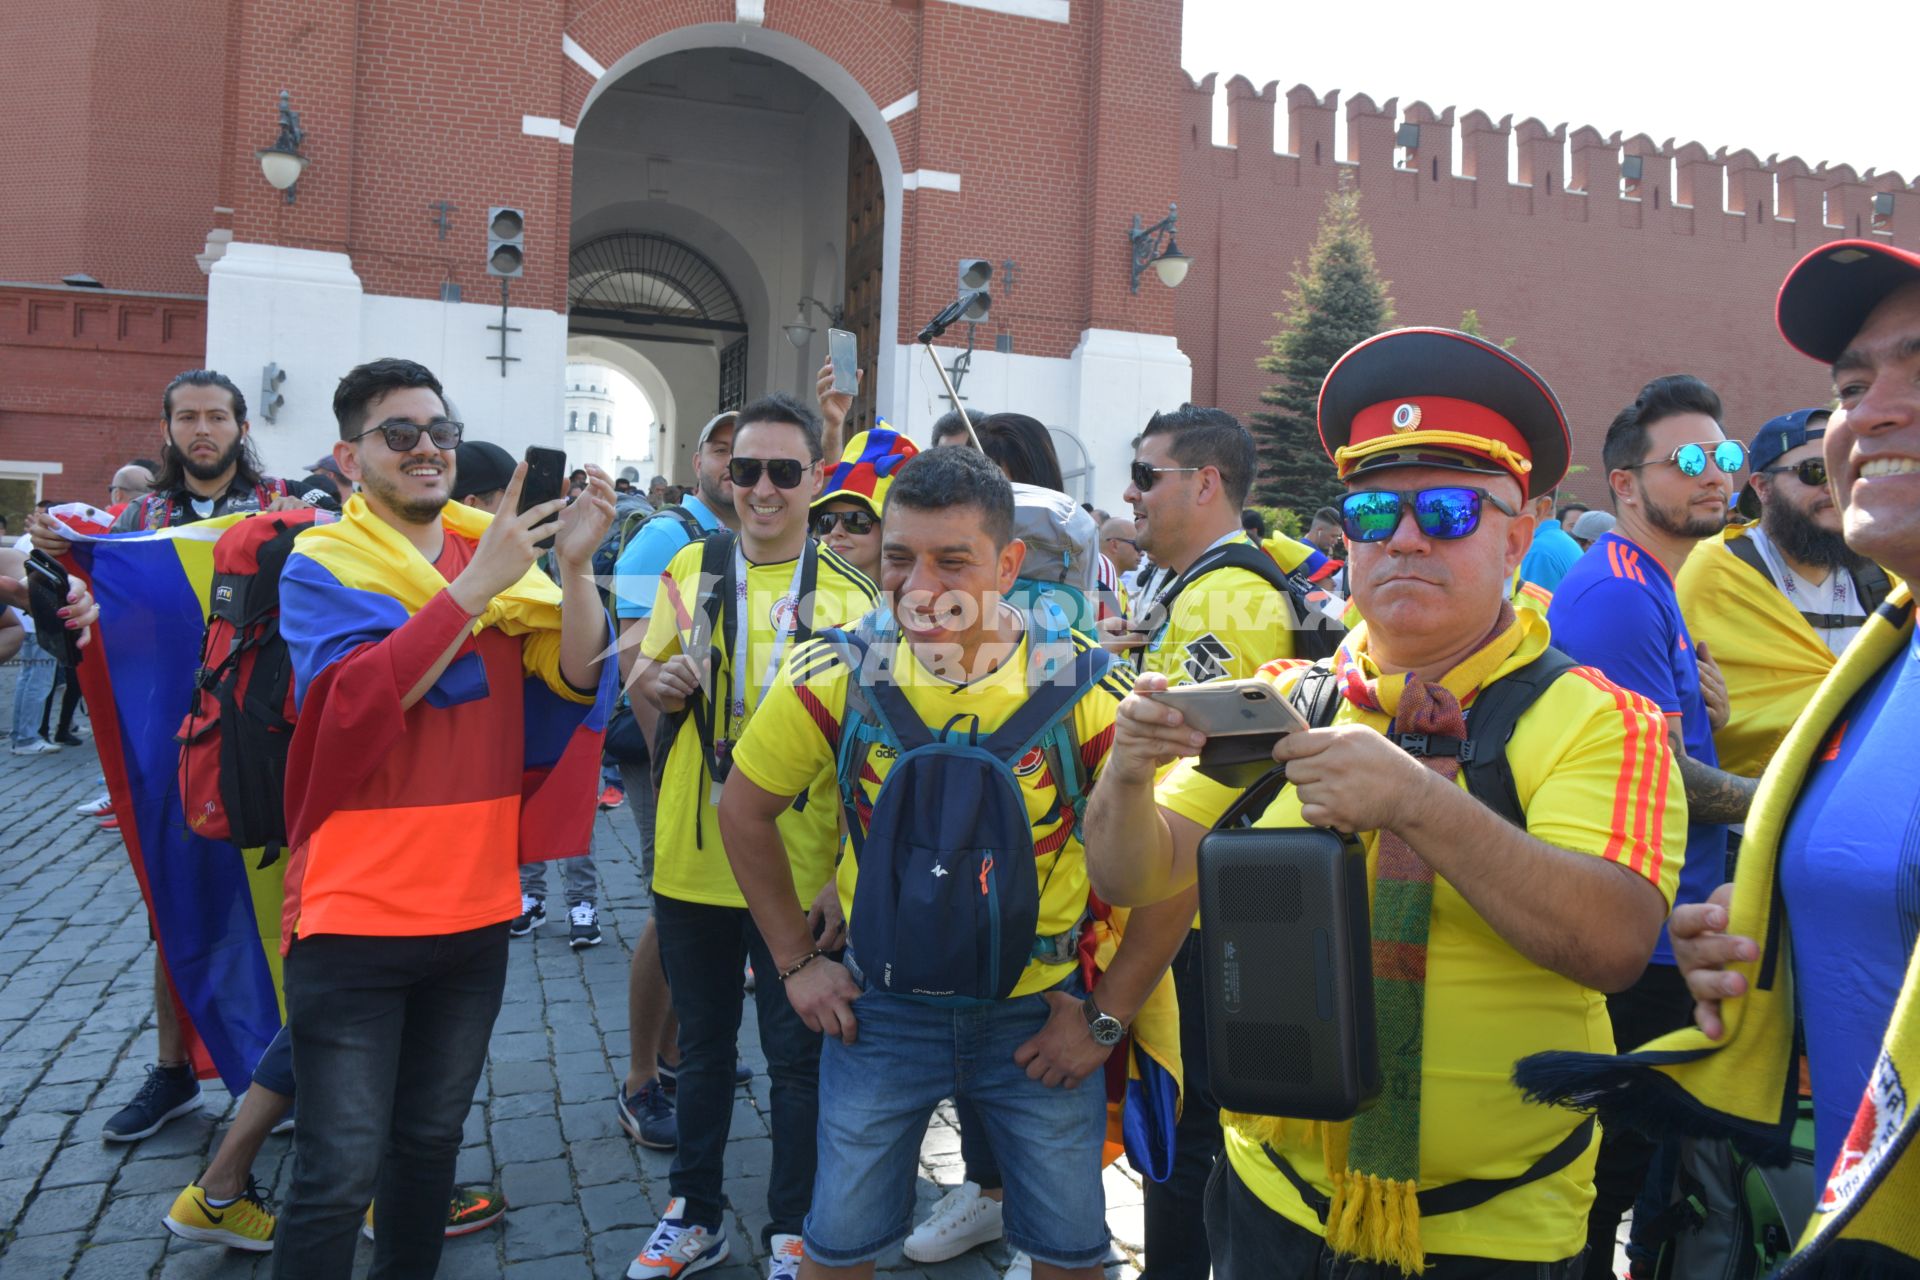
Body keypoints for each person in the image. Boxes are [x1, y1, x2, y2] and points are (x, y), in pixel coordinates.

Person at [1087, 326, 1683, 1279]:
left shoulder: (1602, 719)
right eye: (1372, 511)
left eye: (1448, 511)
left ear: (1519, 537)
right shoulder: (1289, 696)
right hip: (1268, 1204)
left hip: (1489, 1237)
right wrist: (1123, 774)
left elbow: (1614, 946)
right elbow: (1133, 872)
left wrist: (1418, 802)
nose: (1403, 538)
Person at [1522, 237, 1920, 1275]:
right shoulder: (1885, 648)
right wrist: (1775, 925)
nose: (1873, 410)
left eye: (1720, 454)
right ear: (1624, 481)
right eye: (1850, 385)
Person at [719, 444, 1190, 1280]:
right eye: (899, 557)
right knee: (836, 1248)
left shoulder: (1088, 693)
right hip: (880, 1010)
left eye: (953, 561)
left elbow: (1169, 877)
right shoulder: (834, 671)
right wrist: (794, 963)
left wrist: (1106, 1015)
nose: (920, 586)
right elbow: (743, 811)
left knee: (1074, 1254)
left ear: (1009, 564)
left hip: (1042, 1017)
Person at [270, 357, 611, 1279]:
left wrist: (572, 572)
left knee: (426, 1152)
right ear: (350, 457)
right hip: (354, 919)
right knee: (337, 1175)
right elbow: (353, 708)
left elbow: (575, 681)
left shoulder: (489, 549)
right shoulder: (323, 565)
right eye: (401, 434)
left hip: (474, 913)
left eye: (441, 432)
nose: (429, 450)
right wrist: (470, 594)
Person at [622, 393, 877, 1280]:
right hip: (693, 862)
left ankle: (793, 1228)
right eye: (745, 471)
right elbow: (642, 673)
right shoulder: (691, 567)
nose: (762, 490)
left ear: (814, 479)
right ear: (724, 477)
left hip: (800, 872)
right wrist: (655, 682)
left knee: (797, 1063)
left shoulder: (853, 597)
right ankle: (693, 1213)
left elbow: (867, 757)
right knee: (701, 1053)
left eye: (782, 471)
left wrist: (844, 875)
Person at [29, 367, 304, 1143]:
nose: (203, 430)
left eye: (217, 416)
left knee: (286, 898)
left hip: (264, 734)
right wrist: (67, 576)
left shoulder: (286, 508)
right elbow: (76, 620)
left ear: (242, 426)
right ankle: (174, 1070)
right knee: (174, 898)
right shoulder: (133, 520)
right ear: (169, 427)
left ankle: (290, 1072)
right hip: (170, 737)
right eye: (188, 418)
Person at [1099, 404, 1323, 1280]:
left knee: (1189, 1142)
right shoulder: (1192, 583)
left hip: (1196, 914)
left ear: (1204, 483)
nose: (1131, 491)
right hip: (1181, 900)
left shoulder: (1230, 593)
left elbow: (1214, 789)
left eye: (1147, 474)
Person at [1544, 373, 1761, 1275]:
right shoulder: (1620, 598)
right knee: (1607, 1178)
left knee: (1630, 1172)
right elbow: (1652, 778)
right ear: (1625, 485)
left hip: (1676, 921)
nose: (1717, 476)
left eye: (1726, 456)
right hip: (1643, 931)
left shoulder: (1651, 585)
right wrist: (1784, 804)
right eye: (1690, 461)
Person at [610, 410, 741, 1153]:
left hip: (720, 760)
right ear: (697, 460)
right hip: (673, 756)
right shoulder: (667, 537)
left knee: (711, 909)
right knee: (673, 912)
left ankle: (679, 1053)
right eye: (724, 452)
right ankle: (638, 1081)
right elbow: (636, 656)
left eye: (751, 457)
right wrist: (673, 764)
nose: (737, 468)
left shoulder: (746, 542)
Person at [443, 438, 609, 947]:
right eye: (509, 499)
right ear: (474, 507)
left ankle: (574, 900)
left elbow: (577, 678)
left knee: (557, 795)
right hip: (423, 826)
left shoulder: (524, 581)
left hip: (495, 793)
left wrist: (577, 568)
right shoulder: (386, 569)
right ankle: (532, 893)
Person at [1675, 407, 1892, 779]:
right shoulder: (1708, 573)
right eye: (1814, 472)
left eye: (1848, 472)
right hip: (1740, 819)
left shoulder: (1887, 574)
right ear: (1762, 487)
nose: (1835, 488)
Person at [810, 425, 918, 580]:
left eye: (856, 520)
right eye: (826, 521)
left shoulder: (916, 600)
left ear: (890, 529)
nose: (835, 531)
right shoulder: (797, 594)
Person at [1516, 487, 1584, 591]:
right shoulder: (1559, 541)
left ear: (1541, 508)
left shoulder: (1538, 551)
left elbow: (1527, 606)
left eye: (1517, 498)